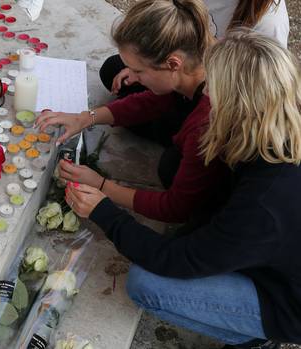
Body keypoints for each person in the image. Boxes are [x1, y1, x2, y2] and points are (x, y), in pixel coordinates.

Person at [66, 30, 301, 349]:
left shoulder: (265, 202)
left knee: (146, 284)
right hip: (275, 249)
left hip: (287, 301)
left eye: (212, 94)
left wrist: (105, 212)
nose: (206, 101)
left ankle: (254, 336)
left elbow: (174, 260)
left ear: (234, 106)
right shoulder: (277, 124)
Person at [36, 0, 229, 225]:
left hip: (223, 199)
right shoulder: (196, 66)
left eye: (138, 71)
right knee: (116, 73)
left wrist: (102, 186)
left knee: (170, 166)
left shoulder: (204, 125)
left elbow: (175, 208)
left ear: (173, 64)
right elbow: (152, 101)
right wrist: (86, 118)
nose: (133, 78)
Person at [101, 0, 289, 98]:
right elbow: (164, 25)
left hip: (217, 96)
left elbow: (256, 93)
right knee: (113, 70)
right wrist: (142, 63)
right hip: (181, 70)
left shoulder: (269, 23)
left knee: (171, 163)